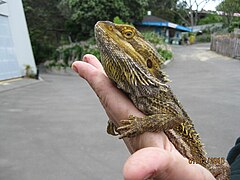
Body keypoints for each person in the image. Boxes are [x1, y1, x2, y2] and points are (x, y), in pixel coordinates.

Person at [72, 54, 239, 180]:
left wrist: (142, 124)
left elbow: (176, 117)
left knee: (223, 165)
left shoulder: (157, 93)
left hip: (195, 160)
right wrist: (113, 120)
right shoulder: (137, 89)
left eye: (128, 34)